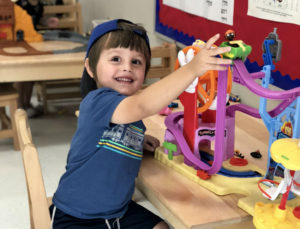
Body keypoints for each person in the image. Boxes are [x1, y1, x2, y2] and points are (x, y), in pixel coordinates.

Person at [50, 19, 231, 229]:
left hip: (118, 210)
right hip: (78, 215)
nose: (127, 67)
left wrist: (136, 140)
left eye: (136, 62)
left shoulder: (126, 109)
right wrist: (192, 69)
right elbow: (141, 106)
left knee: (161, 226)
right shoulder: (96, 101)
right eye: (116, 59)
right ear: (90, 67)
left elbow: (116, 127)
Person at [13, 0, 59, 117]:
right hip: (19, 43)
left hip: (34, 43)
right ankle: (19, 107)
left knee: (30, 75)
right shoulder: (19, 4)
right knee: (20, 75)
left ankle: (27, 104)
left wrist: (47, 21)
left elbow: (39, 20)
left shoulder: (39, 5)